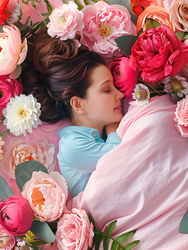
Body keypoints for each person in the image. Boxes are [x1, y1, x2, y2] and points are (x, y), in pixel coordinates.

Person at [22, 34, 124, 197]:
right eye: (107, 90)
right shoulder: (72, 147)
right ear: (78, 104)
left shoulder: (97, 136)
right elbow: (124, 157)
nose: (120, 94)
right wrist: (113, 127)